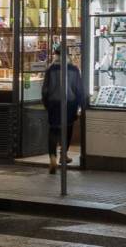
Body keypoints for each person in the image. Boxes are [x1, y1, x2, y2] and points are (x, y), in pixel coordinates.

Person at [42, 46, 84, 174]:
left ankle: (52, 158)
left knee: (54, 130)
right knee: (67, 129)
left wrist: (46, 104)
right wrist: (80, 105)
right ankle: (63, 155)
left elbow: (45, 90)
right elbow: (78, 89)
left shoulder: (50, 69)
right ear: (67, 55)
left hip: (54, 103)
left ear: (55, 55)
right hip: (70, 103)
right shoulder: (74, 69)